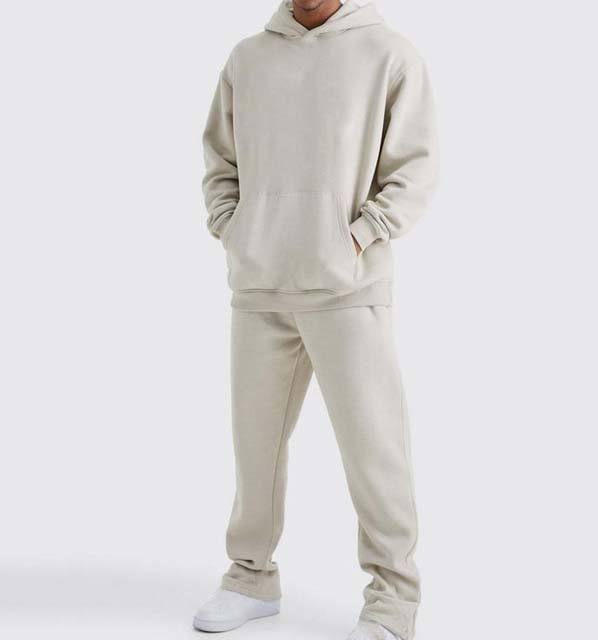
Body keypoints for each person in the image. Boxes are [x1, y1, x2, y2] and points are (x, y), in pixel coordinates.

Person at [193, 1, 438, 638]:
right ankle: (250, 578)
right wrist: (234, 228)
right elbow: (220, 160)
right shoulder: (248, 57)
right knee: (255, 447)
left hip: (347, 287)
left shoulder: (388, 55)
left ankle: (393, 601)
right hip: (259, 285)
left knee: (374, 449)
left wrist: (359, 236)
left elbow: (414, 168)